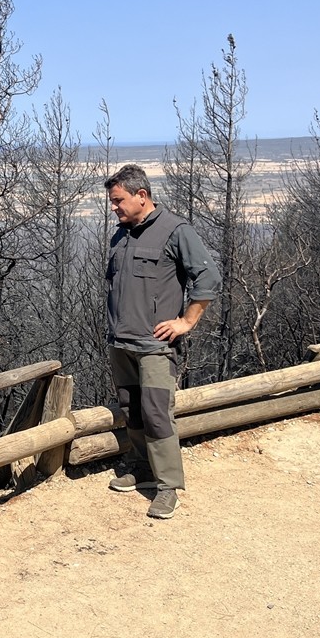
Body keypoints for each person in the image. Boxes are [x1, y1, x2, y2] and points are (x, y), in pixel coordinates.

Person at [103, 164, 221, 519]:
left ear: (142, 196)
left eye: (118, 200)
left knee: (157, 414)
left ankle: (168, 486)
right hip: (121, 342)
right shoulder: (120, 235)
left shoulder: (175, 230)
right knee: (132, 409)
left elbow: (208, 277)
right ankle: (140, 467)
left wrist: (186, 321)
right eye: (112, 201)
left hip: (155, 345)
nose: (114, 207)